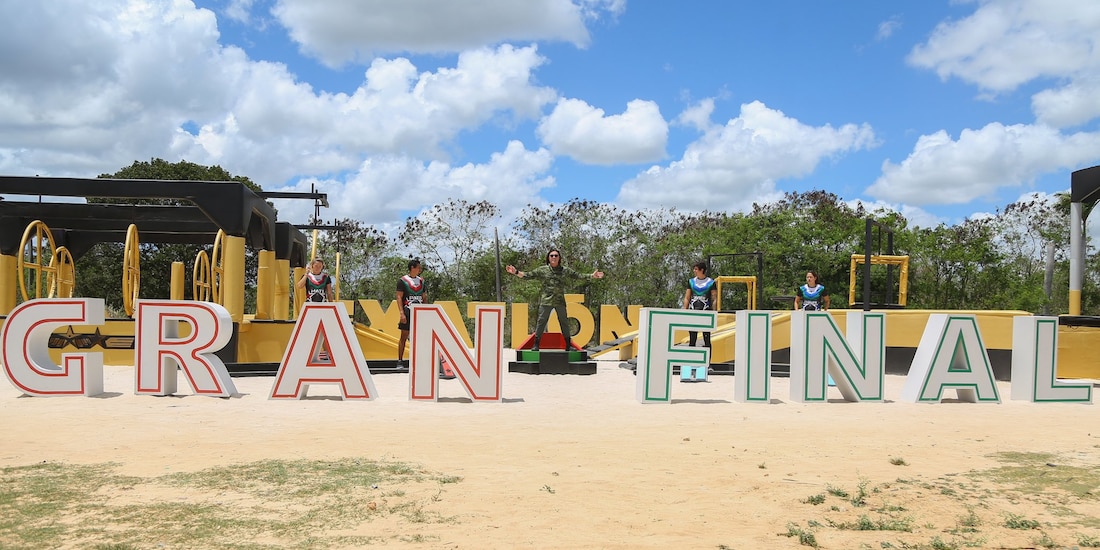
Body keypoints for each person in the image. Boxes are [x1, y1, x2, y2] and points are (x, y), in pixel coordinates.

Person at [506, 249, 604, 351]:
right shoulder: (543, 270)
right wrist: (515, 272)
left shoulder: (564, 270)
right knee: (541, 322)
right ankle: (536, 344)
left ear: (559, 258)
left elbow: (578, 276)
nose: (554, 257)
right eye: (551, 255)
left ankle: (568, 345)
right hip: (546, 301)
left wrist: (592, 276)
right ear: (548, 258)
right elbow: (527, 275)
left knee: (564, 322)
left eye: (556, 255)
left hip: (560, 301)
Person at [396, 258, 426, 366]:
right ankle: (400, 361)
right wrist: (401, 313)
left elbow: (424, 297)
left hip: (419, 312)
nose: (420, 270)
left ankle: (419, 360)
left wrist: (426, 311)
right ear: (412, 268)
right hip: (407, 310)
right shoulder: (402, 281)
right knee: (404, 336)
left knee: (420, 337)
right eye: (418, 268)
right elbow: (399, 297)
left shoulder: (421, 281)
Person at [683, 260, 717, 348]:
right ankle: (691, 356)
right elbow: (687, 297)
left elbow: (714, 298)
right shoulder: (691, 282)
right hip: (693, 312)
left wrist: (714, 312)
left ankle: (708, 356)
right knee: (692, 338)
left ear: (702, 270)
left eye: (696, 269)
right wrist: (684, 310)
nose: (694, 271)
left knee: (707, 338)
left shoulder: (711, 282)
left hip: (706, 312)